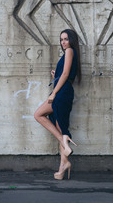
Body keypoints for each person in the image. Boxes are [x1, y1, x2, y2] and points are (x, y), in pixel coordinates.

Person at [34, 29, 81, 180]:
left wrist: (53, 93)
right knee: (61, 128)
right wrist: (57, 75)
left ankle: (63, 141)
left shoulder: (69, 51)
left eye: (66, 39)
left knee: (38, 114)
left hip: (61, 94)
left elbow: (66, 75)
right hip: (65, 92)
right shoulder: (70, 54)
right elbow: (66, 74)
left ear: (71, 40)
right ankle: (63, 167)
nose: (63, 42)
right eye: (61, 40)